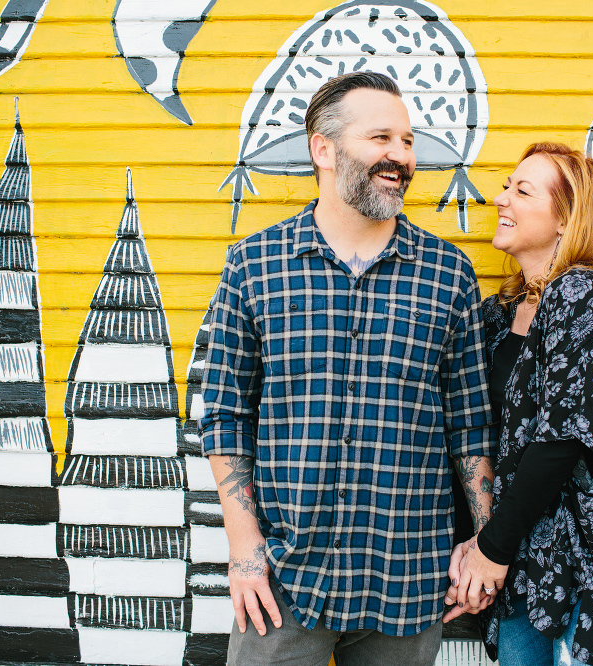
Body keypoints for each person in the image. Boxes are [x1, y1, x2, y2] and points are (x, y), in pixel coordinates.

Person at [199, 71, 495, 666]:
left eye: (408, 141)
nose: (401, 156)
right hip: (285, 578)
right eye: (381, 137)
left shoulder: (448, 274)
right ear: (324, 149)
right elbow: (225, 414)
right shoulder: (255, 266)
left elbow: (470, 425)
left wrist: (483, 541)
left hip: (408, 581)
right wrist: (244, 547)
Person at [443, 142, 593, 665]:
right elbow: (474, 435)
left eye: (522, 191)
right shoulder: (499, 316)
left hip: (592, 577)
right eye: (507, 186)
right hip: (525, 571)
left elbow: (562, 440)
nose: (500, 199)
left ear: (566, 219)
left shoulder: (581, 295)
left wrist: (489, 551)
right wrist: (472, 552)